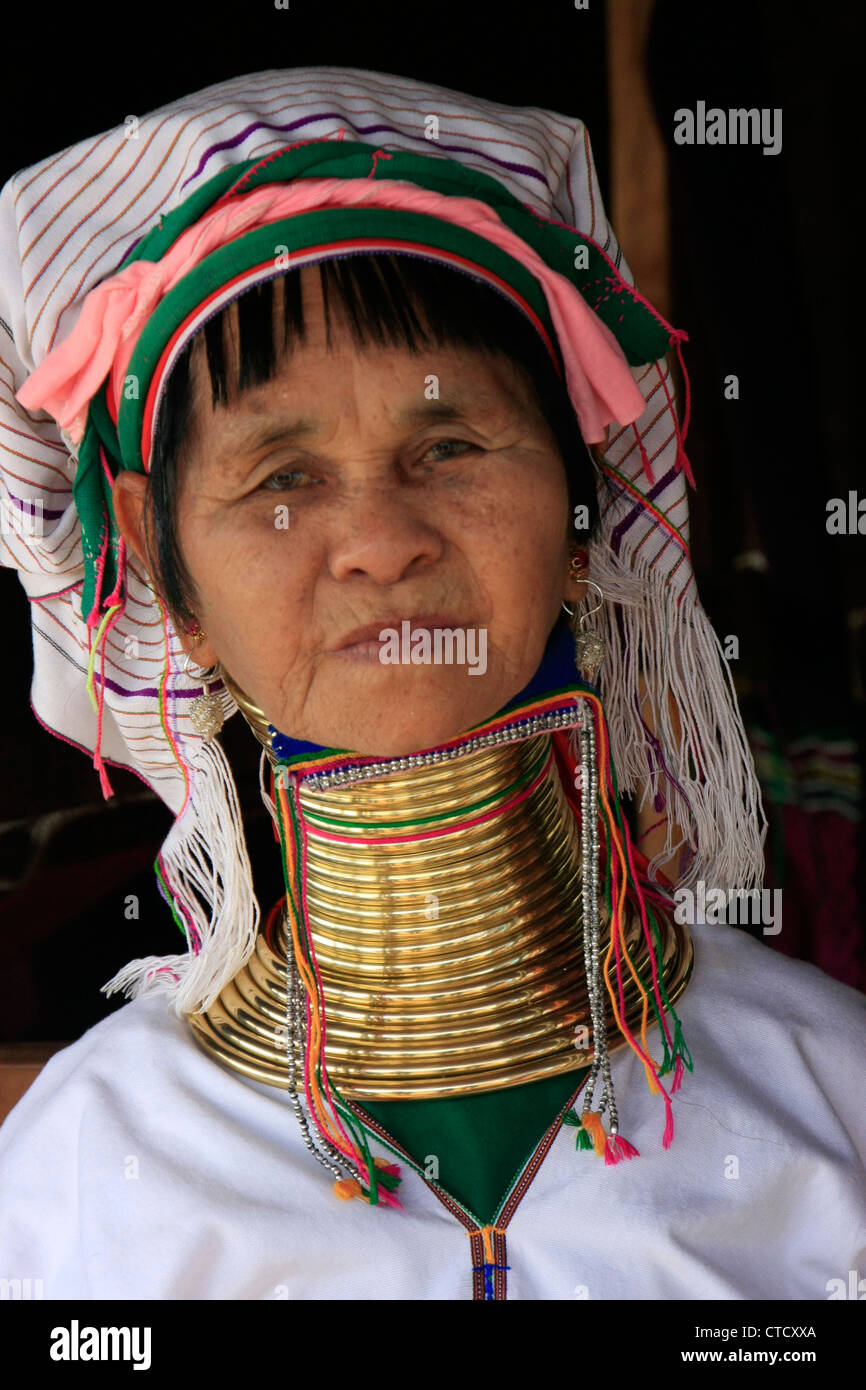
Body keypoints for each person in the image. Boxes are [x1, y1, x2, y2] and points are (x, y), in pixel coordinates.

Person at [0, 66, 863, 1302]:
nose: (379, 538)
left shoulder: (828, 1100)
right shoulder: (82, 1175)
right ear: (161, 569)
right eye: (278, 477)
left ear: (580, 517)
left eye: (447, 445)